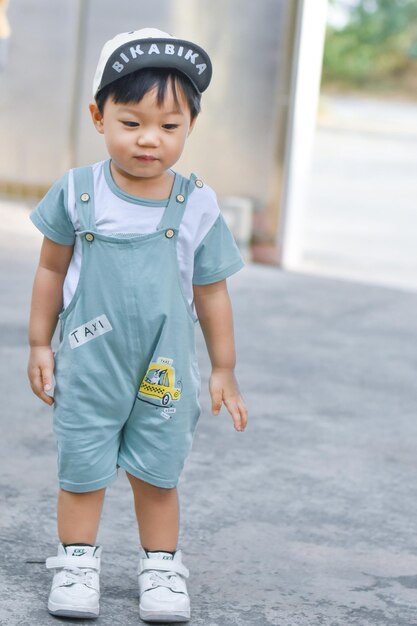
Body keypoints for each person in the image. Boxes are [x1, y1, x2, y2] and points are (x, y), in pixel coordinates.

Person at [27, 27, 248, 622]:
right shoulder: (76, 193)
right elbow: (51, 270)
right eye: (131, 123)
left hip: (164, 363)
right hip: (88, 358)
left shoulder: (196, 203)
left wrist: (224, 367)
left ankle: (161, 569)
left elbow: (211, 293)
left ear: (190, 128)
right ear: (99, 116)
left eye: (169, 126)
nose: (149, 139)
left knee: (157, 470)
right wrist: (38, 343)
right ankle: (76, 562)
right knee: (82, 467)